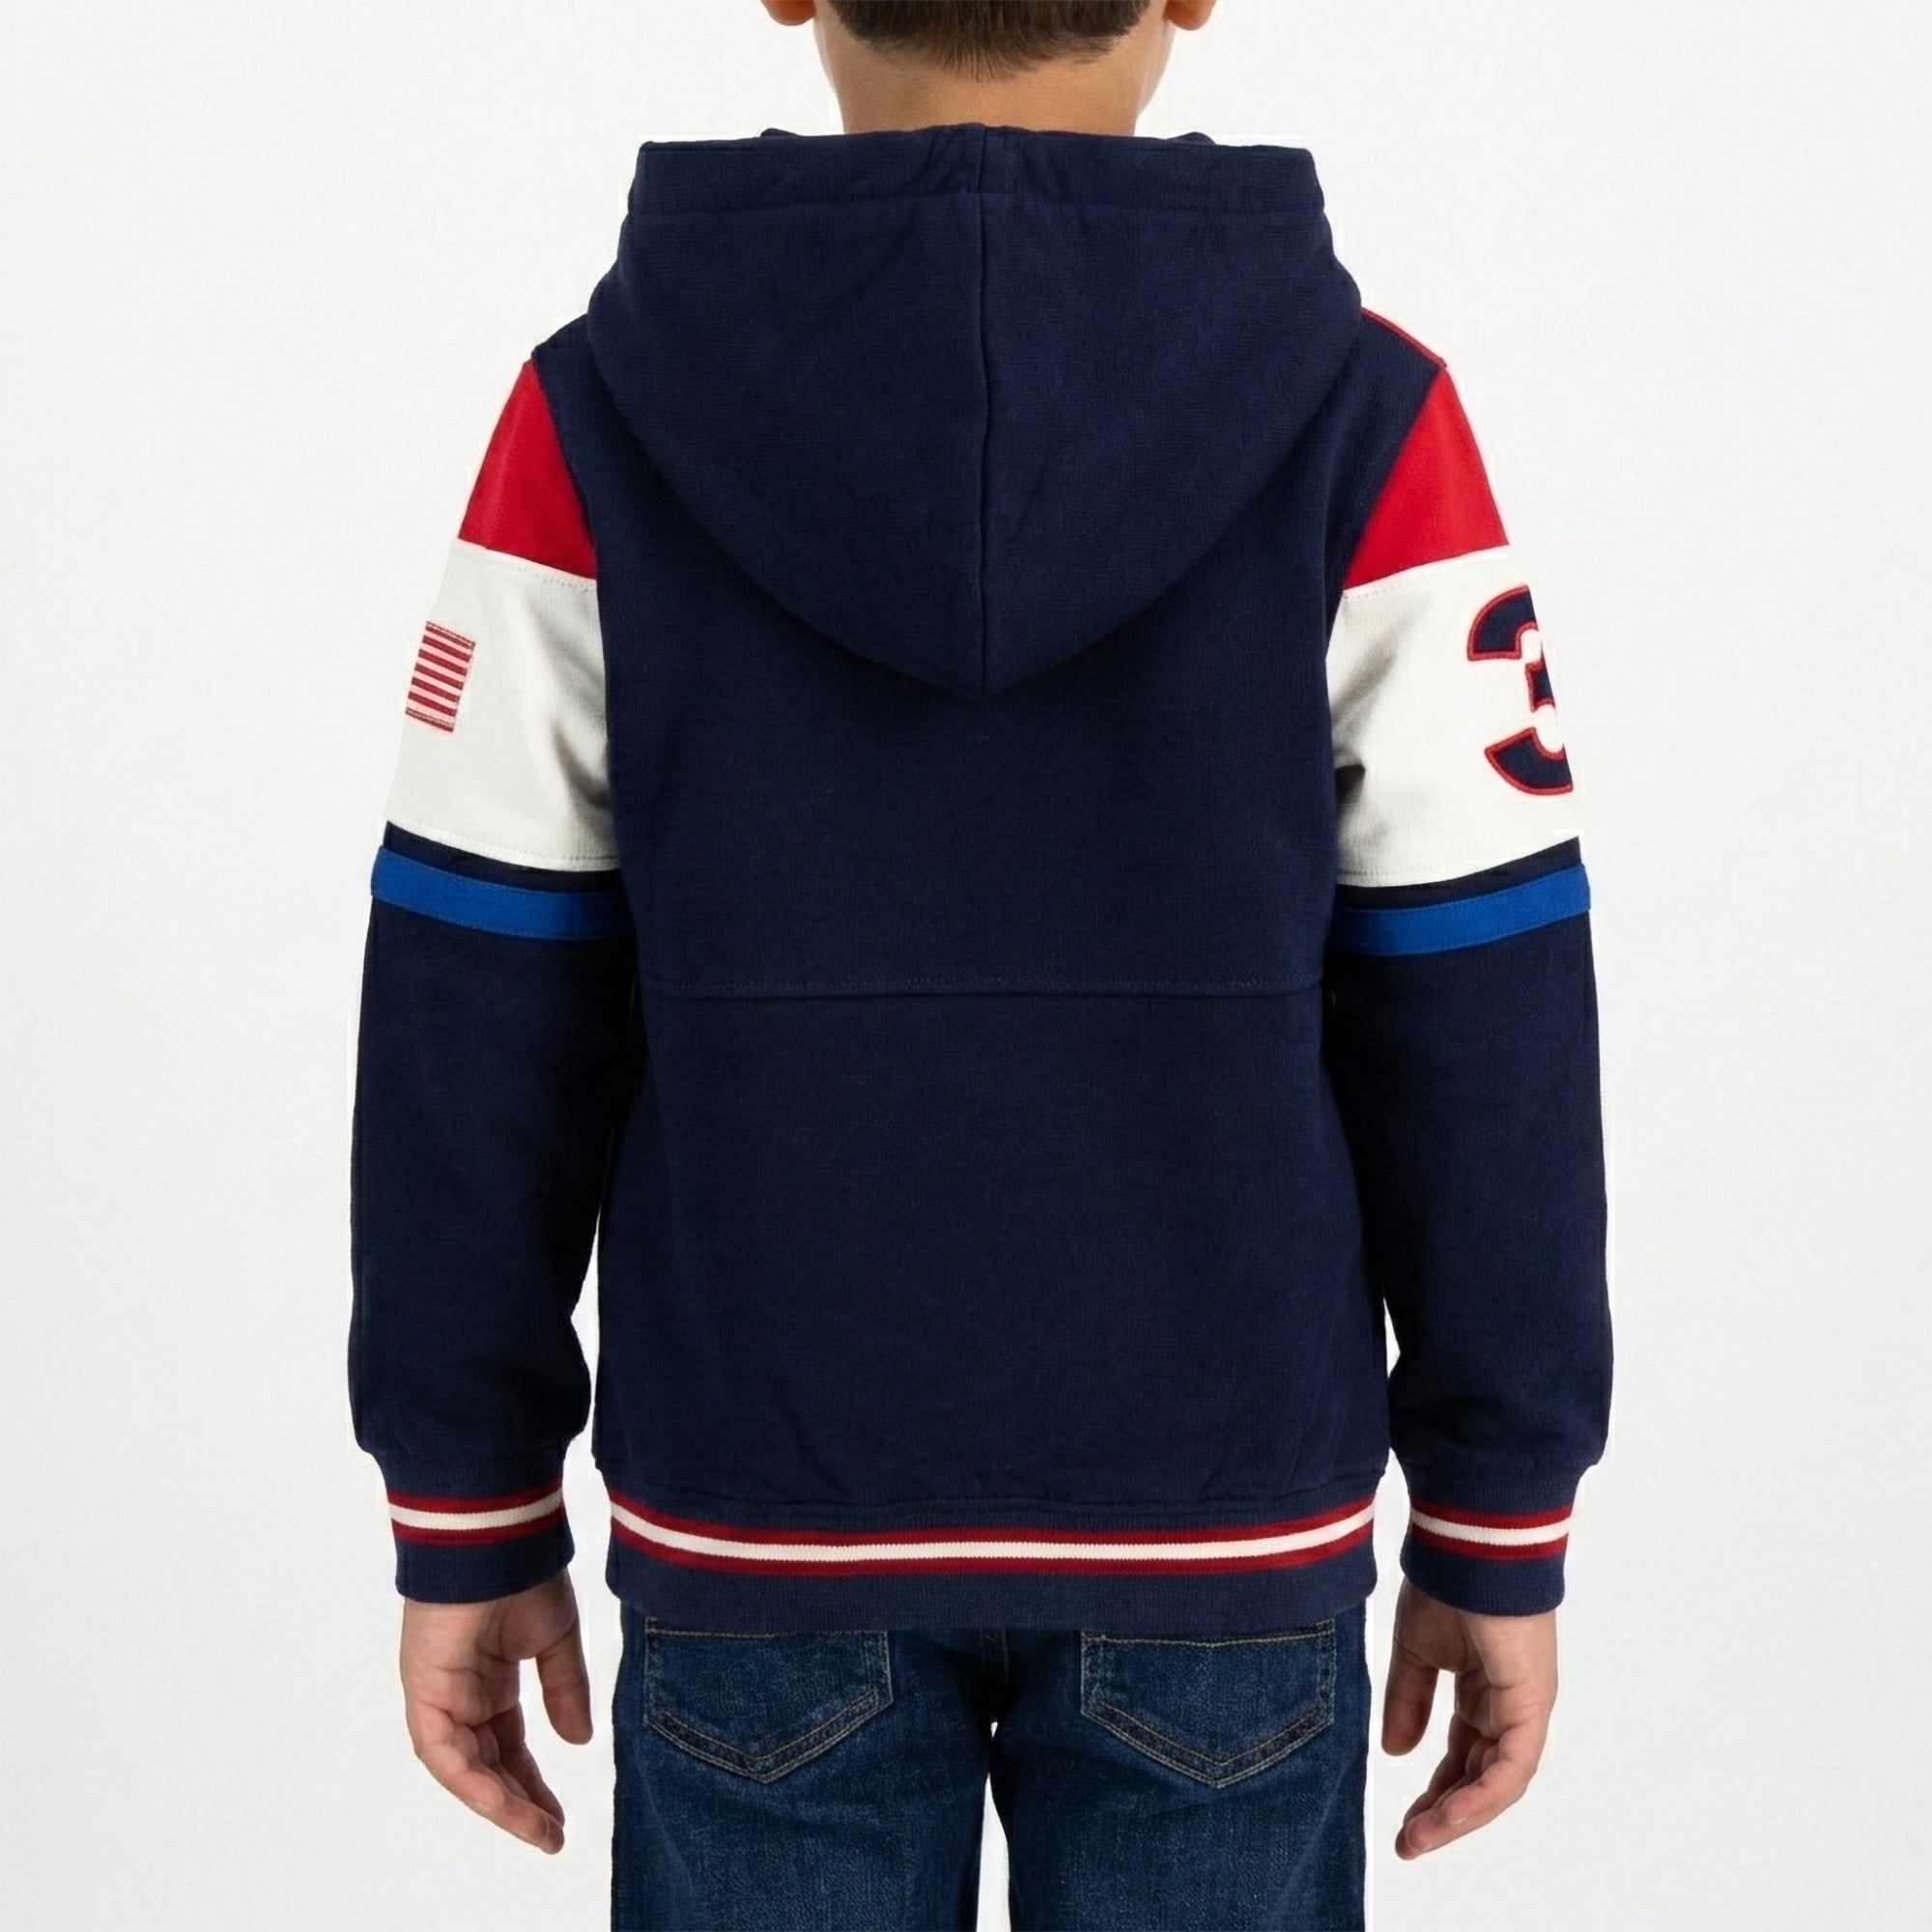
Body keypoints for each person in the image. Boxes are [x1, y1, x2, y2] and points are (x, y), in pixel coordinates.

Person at [347, 2, 1613, 1925]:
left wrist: (469, 1492)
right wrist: (1497, 1503)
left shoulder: (597, 412)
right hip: (1221, 1525)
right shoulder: (1364, 416)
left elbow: (479, 985)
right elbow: (1481, 995)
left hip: (762, 1512)